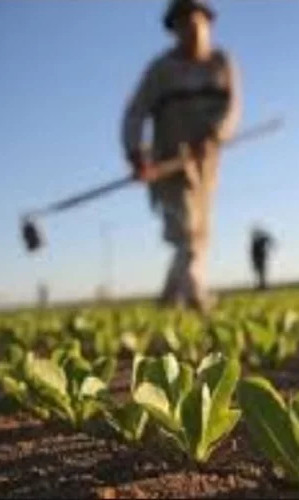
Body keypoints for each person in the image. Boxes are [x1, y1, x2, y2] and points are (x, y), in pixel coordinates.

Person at [122, 0, 241, 313]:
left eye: (196, 21)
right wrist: (136, 154)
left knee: (199, 233)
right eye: (182, 23)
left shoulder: (221, 63)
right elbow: (135, 114)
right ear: (173, 29)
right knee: (186, 231)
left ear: (208, 23)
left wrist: (214, 136)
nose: (190, 29)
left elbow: (231, 108)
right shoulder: (161, 71)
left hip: (206, 167)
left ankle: (168, 299)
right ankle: (195, 296)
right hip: (169, 165)